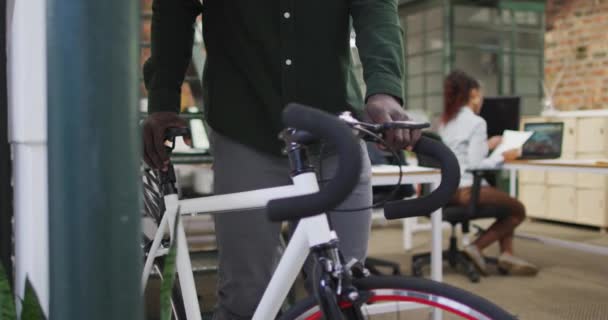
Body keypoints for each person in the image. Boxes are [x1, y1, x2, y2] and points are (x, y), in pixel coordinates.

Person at [141, 1, 421, 318]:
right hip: (246, 129)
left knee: (341, 295)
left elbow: (375, 7)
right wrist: (163, 101)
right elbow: (175, 9)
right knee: (247, 301)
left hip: (333, 131)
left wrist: (384, 89)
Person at [439, 70, 538, 276]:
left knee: (505, 204)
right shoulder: (477, 122)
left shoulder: (445, 122)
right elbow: (476, 165)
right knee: (517, 209)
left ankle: (507, 255)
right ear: (474, 93)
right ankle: (476, 247)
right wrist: (503, 156)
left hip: (446, 190)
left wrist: (487, 144)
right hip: (467, 189)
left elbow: (460, 154)